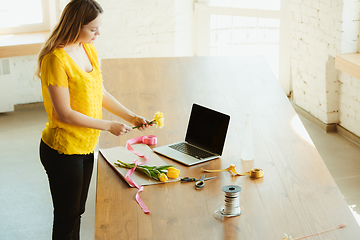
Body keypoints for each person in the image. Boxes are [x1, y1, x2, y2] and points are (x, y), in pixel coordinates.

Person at [35, 0, 151, 239]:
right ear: (76, 25)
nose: (98, 33)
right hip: (63, 150)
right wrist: (109, 125)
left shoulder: (89, 49)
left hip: (86, 145)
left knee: (78, 211)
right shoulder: (55, 60)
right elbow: (65, 113)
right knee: (67, 218)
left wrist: (132, 117)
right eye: (93, 29)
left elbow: (101, 93)